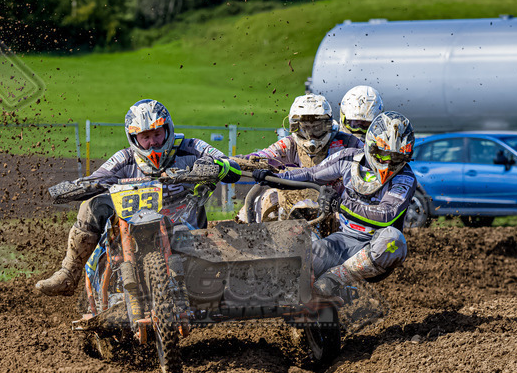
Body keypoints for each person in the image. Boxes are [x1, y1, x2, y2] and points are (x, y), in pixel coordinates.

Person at [36, 99, 242, 296]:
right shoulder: (125, 159)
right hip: (135, 230)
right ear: (134, 138)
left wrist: (216, 166)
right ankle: (68, 274)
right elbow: (96, 178)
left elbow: (230, 164)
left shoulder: (191, 147)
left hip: (186, 229)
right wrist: (70, 189)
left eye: (157, 134)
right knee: (91, 205)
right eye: (145, 137)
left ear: (167, 130)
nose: (152, 142)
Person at [252, 111, 416, 296]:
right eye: (383, 153)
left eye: (396, 157)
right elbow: (311, 174)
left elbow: (387, 215)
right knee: (297, 261)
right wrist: (275, 178)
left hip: (378, 247)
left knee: (394, 239)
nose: (388, 162)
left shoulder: (405, 178)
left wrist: (340, 204)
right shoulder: (348, 158)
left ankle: (335, 279)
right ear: (370, 145)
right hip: (342, 241)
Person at [236, 93, 362, 222]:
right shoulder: (290, 144)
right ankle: (251, 234)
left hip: (336, 206)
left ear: (327, 125)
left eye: (316, 128)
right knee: (266, 197)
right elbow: (261, 157)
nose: (310, 134)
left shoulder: (347, 143)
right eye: (305, 128)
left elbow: (370, 158)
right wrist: (234, 162)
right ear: (295, 126)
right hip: (293, 205)